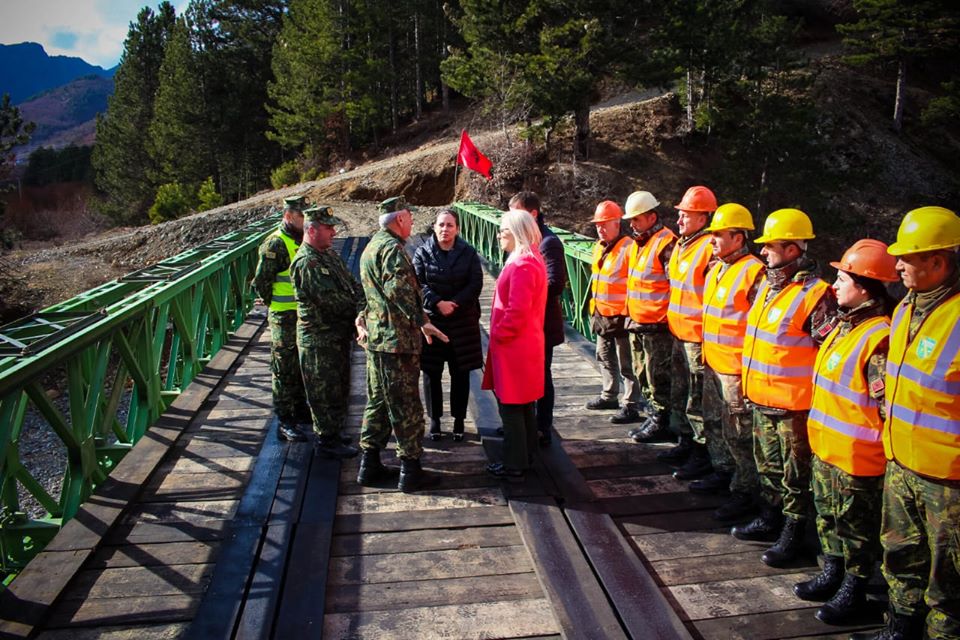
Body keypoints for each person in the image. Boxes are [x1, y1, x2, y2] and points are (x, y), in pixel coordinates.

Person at [851, 206, 960, 640]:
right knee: (900, 556)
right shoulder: (904, 312)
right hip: (901, 463)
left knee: (948, 580)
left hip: (948, 481)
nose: (896, 265)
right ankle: (898, 627)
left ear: (938, 261)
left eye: (907, 257)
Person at [796, 239, 898, 625]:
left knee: (856, 529)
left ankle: (855, 587)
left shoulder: (879, 337)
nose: (834, 286)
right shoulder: (844, 326)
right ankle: (833, 571)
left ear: (865, 286)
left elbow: (887, 407)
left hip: (859, 459)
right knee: (828, 518)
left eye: (842, 279)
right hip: (827, 450)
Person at [733, 208, 838, 568]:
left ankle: (795, 535)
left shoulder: (817, 295)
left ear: (793, 250)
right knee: (769, 469)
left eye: (772, 246)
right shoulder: (766, 286)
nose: (763, 252)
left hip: (795, 408)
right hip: (762, 400)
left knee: (796, 477)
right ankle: (771, 519)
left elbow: (831, 355)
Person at [355, 196, 448, 492]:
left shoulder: (372, 246)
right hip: (397, 342)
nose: (411, 222)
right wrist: (422, 321)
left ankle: (368, 465)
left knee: (379, 402)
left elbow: (373, 294)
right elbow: (398, 290)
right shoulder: (393, 250)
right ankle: (410, 470)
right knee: (406, 404)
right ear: (399, 219)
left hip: (378, 339)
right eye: (409, 217)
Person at [697, 203, 765, 521]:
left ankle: (746, 492)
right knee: (716, 424)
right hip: (713, 362)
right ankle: (723, 474)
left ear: (738, 238)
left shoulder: (754, 272)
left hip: (735, 371)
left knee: (740, 435)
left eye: (719, 235)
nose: (712, 240)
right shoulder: (718, 267)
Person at [290, 205, 365, 460]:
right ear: (311, 230)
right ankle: (326, 440)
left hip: (336, 336)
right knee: (323, 391)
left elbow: (351, 284)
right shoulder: (306, 263)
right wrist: (360, 311)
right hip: (319, 341)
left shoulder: (328, 255)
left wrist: (361, 304)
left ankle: (334, 431)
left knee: (339, 386)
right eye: (328, 227)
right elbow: (332, 301)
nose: (334, 232)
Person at [482, 209, 548, 481]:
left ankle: (514, 464)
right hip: (525, 344)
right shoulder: (532, 261)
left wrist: (498, 333)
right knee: (523, 405)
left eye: (504, 230)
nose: (499, 235)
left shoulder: (522, 265)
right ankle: (527, 454)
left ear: (517, 233)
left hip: (514, 347)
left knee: (510, 406)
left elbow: (517, 310)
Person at [660, 186, 718, 482]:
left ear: (702, 218)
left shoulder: (708, 248)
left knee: (697, 399)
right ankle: (684, 442)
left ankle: (701, 454)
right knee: (679, 393)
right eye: (680, 213)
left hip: (696, 338)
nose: (679, 218)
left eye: (686, 214)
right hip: (678, 333)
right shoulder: (682, 245)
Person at [413, 209, 484, 442]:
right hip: (433, 322)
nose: (445, 229)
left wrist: (454, 303)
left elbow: (475, 283)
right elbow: (417, 283)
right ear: (434, 227)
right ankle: (434, 420)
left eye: (450, 225)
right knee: (431, 373)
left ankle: (459, 420)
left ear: (458, 229)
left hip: (462, 320)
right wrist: (437, 302)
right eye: (441, 225)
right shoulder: (422, 252)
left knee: (460, 373)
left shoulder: (468, 252)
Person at [508, 191, 568, 445]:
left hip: (542, 323)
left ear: (532, 214)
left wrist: (526, 293)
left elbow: (555, 283)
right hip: (530, 323)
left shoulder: (548, 242)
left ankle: (542, 426)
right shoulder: (525, 238)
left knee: (541, 374)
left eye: (516, 213)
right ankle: (525, 424)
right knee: (528, 374)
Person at [252, 194, 311, 442]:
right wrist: (274, 305)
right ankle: (285, 421)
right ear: (288, 216)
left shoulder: (299, 240)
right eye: (301, 216)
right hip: (282, 316)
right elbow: (261, 282)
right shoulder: (275, 244)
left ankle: (299, 410)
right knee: (283, 369)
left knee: (298, 365)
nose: (305, 220)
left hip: (299, 315)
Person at [623, 190, 678, 443]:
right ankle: (655, 416)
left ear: (651, 216)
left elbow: (674, 286)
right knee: (643, 373)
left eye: (637, 219)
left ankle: (662, 421)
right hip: (639, 321)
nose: (632, 224)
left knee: (658, 377)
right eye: (631, 220)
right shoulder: (639, 243)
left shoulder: (666, 243)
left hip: (658, 325)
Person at [585, 200, 641, 423]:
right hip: (602, 314)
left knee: (627, 363)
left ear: (618, 223)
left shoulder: (629, 248)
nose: (600, 228)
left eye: (605, 223)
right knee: (604, 356)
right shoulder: (599, 246)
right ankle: (609, 395)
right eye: (598, 224)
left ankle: (631, 404)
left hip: (622, 316)